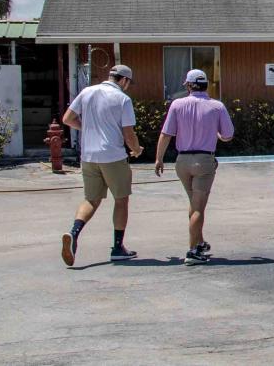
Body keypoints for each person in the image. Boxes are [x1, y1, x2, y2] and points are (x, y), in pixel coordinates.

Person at [60, 64, 144, 267]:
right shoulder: (122, 99)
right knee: (121, 199)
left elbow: (67, 119)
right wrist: (136, 149)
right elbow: (128, 132)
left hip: (88, 155)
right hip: (113, 156)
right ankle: (117, 247)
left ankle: (74, 233)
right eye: (128, 83)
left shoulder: (87, 91)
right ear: (123, 80)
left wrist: (87, 128)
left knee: (91, 199)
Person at [154, 69, 234, 266]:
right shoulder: (217, 106)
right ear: (206, 85)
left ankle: (199, 243)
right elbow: (228, 135)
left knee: (193, 203)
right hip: (204, 160)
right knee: (199, 207)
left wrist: (159, 159)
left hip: (182, 161)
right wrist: (216, 134)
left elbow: (166, 134)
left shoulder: (177, 105)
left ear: (189, 86)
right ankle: (192, 251)